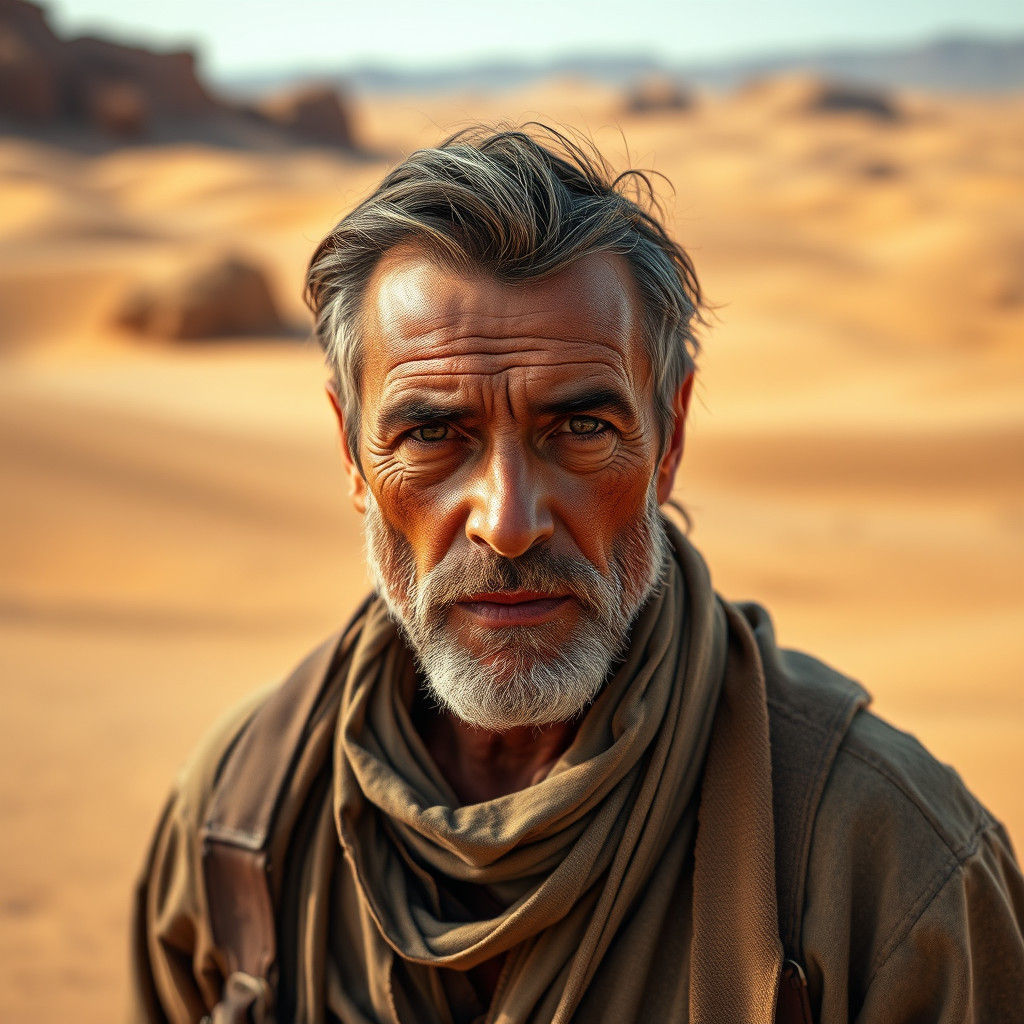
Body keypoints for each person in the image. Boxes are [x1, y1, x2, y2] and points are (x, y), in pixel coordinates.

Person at [130, 125, 1024, 1024]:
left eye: (582, 430)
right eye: (433, 435)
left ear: (668, 440)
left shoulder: (886, 866)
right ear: (352, 455)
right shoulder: (238, 816)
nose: (509, 522)